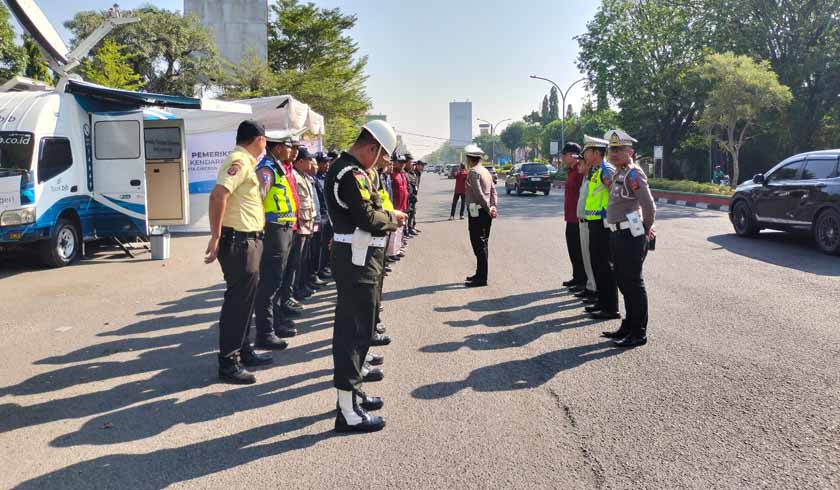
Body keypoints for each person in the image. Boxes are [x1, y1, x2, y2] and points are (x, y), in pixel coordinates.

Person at [324, 120, 407, 432]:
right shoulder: (349, 173)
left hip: (363, 259)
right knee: (353, 332)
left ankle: (354, 395)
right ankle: (347, 411)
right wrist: (392, 218)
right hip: (356, 260)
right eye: (382, 156)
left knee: (364, 327)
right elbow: (367, 216)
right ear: (371, 147)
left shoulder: (354, 171)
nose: (383, 162)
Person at [204, 120, 273, 384]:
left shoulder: (246, 162)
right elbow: (218, 195)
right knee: (237, 304)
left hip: (249, 241)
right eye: (265, 140)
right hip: (239, 242)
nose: (266, 145)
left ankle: (244, 350)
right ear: (259, 140)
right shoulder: (239, 161)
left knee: (245, 302)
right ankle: (228, 363)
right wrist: (216, 236)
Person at [602, 129, 656, 348]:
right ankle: (628, 324)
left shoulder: (634, 173)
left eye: (619, 149)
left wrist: (645, 230)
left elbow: (648, 205)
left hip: (630, 234)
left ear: (630, 151)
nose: (614, 153)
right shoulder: (619, 173)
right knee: (623, 282)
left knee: (633, 283)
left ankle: (638, 331)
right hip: (617, 233)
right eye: (611, 149)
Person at [253, 131, 299, 349]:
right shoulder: (266, 169)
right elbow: (257, 201)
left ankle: (277, 322)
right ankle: (265, 331)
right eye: (288, 146)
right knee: (270, 282)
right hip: (273, 230)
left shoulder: (278, 168)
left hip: (285, 229)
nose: (291, 150)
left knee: (278, 280)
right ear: (278, 147)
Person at [580, 135, 620, 320]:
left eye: (587, 151)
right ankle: (602, 302)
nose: (585, 154)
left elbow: (616, 195)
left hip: (604, 224)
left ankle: (611, 307)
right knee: (597, 264)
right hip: (595, 222)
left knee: (605, 266)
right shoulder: (597, 170)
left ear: (596, 152)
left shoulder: (607, 170)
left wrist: (609, 217)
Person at [463, 144, 497, 287]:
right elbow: (493, 191)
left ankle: (482, 278)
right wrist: (493, 206)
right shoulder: (486, 171)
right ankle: (479, 273)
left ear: (469, 159)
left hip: (478, 212)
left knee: (478, 244)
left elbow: (478, 193)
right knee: (484, 244)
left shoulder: (473, 172)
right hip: (486, 212)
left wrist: (488, 208)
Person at [560, 142, 587, 289]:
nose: (562, 158)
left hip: (579, 218)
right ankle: (577, 277)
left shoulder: (580, 171)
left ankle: (583, 280)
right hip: (571, 217)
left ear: (572, 155)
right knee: (573, 249)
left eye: (564, 155)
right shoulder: (571, 170)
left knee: (579, 251)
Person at [292, 148, 317, 300]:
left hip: (308, 222)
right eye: (308, 160)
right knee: (297, 261)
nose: (311, 163)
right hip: (300, 224)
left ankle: (302, 286)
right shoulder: (294, 176)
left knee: (305, 259)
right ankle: (296, 290)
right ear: (300, 161)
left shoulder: (304, 176)